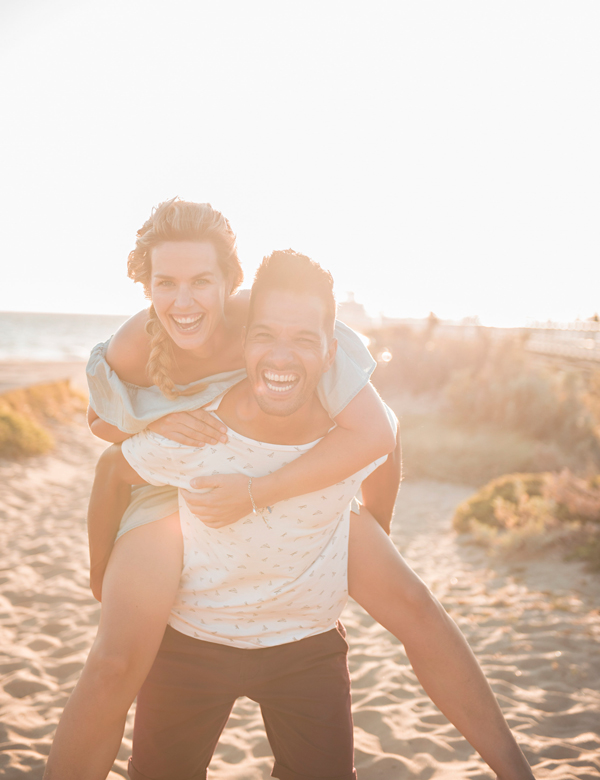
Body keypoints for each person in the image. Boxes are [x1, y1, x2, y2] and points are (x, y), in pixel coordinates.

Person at [43, 203, 534, 779]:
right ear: (145, 285)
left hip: (289, 467)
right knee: (114, 664)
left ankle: (515, 770)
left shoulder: (280, 319)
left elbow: (381, 435)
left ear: (232, 282)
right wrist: (154, 427)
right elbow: (104, 428)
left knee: (418, 609)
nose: (184, 301)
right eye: (165, 283)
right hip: (180, 475)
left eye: (202, 281)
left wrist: (374, 526)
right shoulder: (133, 344)